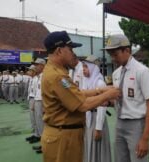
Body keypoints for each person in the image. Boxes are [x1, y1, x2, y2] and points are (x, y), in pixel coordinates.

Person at [41, 31, 120, 162]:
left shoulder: (56, 71)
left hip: (64, 134)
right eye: (70, 49)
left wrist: (99, 90)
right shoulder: (58, 76)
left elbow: (75, 94)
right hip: (63, 138)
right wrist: (108, 95)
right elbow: (82, 105)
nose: (73, 53)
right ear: (60, 51)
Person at [104, 34, 149, 162]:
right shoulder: (116, 74)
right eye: (110, 55)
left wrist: (145, 138)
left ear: (127, 50)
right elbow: (119, 99)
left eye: (115, 54)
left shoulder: (142, 71)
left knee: (139, 159)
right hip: (119, 123)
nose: (112, 58)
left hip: (137, 125)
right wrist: (108, 102)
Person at [82, 60, 111, 162]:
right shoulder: (86, 81)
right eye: (83, 67)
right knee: (89, 145)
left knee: (97, 147)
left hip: (96, 119)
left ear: (93, 68)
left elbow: (102, 108)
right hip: (88, 118)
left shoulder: (100, 83)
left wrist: (98, 128)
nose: (83, 70)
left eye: (86, 67)